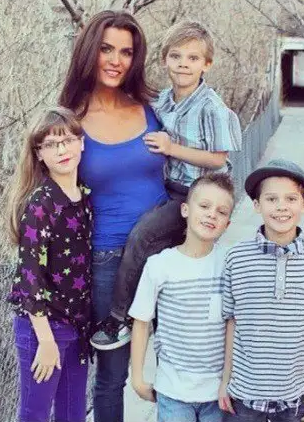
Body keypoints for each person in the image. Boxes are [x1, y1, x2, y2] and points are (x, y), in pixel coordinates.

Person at [91, 20, 243, 351]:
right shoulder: (164, 101)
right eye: (176, 56)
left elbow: (218, 158)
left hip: (196, 196)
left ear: (207, 64)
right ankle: (156, 322)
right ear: (164, 60)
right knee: (159, 256)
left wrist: (171, 148)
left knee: (142, 237)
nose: (183, 65)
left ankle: (119, 319)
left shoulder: (211, 108)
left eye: (193, 58)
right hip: (169, 188)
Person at [58, 10, 167, 422]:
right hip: (108, 260)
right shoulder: (70, 118)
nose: (116, 60)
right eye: (107, 49)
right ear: (90, 51)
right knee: (111, 376)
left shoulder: (153, 108)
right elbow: (48, 193)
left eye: (126, 51)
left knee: (182, 361)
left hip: (166, 253)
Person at [219, 159, 304, 422]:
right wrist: (225, 381)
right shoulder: (236, 258)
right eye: (271, 199)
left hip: (298, 401)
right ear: (257, 205)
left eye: (291, 198)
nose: (281, 207)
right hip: (244, 399)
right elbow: (232, 322)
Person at [5, 107, 93, 422]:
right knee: (35, 415)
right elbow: (29, 277)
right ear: (39, 153)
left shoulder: (85, 196)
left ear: (82, 143)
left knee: (73, 415)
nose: (62, 150)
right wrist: (45, 340)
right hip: (43, 327)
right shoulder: (41, 205)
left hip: (76, 326)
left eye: (68, 140)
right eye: (51, 144)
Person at [129, 173, 236, 422]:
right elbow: (141, 321)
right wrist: (137, 378)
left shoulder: (230, 264)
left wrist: (230, 380)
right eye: (204, 206)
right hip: (173, 392)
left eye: (221, 212)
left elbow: (236, 323)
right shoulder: (159, 265)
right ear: (185, 209)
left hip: (219, 393)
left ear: (228, 224)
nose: (212, 215)